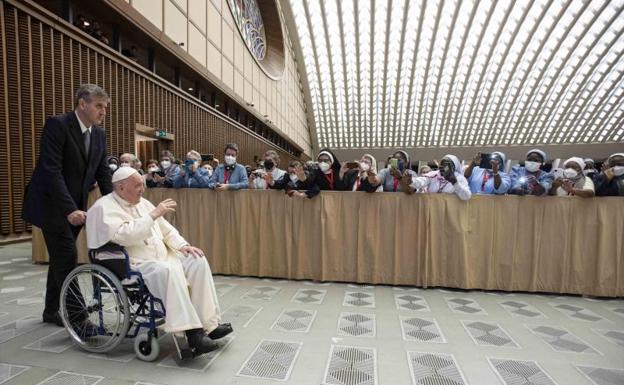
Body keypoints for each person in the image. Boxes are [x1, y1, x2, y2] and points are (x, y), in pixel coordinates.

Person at [85, 167, 232, 355]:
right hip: (136, 264)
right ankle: (192, 333)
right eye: (138, 185)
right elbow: (124, 236)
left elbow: (166, 229)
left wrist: (183, 246)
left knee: (196, 259)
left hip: (163, 256)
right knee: (168, 271)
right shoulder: (103, 207)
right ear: (121, 188)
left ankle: (209, 324)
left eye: (142, 184)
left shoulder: (143, 203)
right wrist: (153, 215)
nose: (142, 189)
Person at [22, 84, 113, 327]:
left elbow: (103, 173)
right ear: (82, 104)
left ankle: (51, 311)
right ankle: (78, 318)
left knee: (60, 260)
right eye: (98, 106)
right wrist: (69, 209)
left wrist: (117, 204)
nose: (103, 112)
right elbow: (51, 170)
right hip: (52, 204)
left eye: (105, 107)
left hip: (76, 207)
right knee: (67, 256)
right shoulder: (58, 125)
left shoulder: (99, 134)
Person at [403, 155, 471, 200]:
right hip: (432, 211)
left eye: (446, 165)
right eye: (441, 164)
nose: (442, 167)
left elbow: (466, 196)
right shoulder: (433, 175)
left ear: (453, 167)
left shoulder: (460, 178)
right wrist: (412, 181)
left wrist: (455, 182)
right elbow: (421, 181)